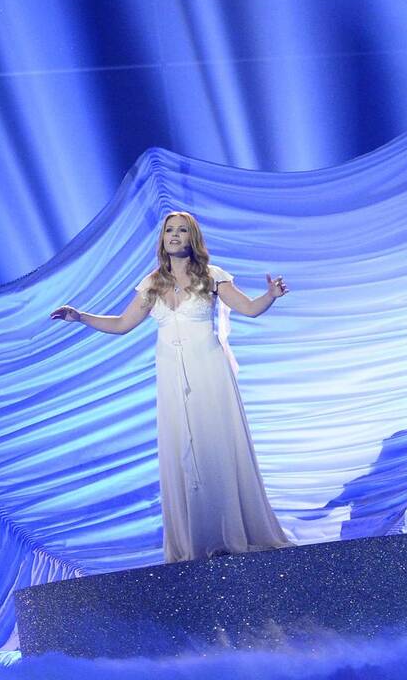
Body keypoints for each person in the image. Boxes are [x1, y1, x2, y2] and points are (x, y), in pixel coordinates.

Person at [50, 211, 293, 563]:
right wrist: (80, 317)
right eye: (169, 231)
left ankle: (232, 532)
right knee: (183, 451)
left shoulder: (212, 276)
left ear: (193, 238)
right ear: (162, 239)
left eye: (182, 230)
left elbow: (249, 308)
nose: (174, 235)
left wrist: (270, 295)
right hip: (171, 374)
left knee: (216, 445)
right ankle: (196, 539)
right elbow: (122, 324)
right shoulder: (151, 284)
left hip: (209, 371)